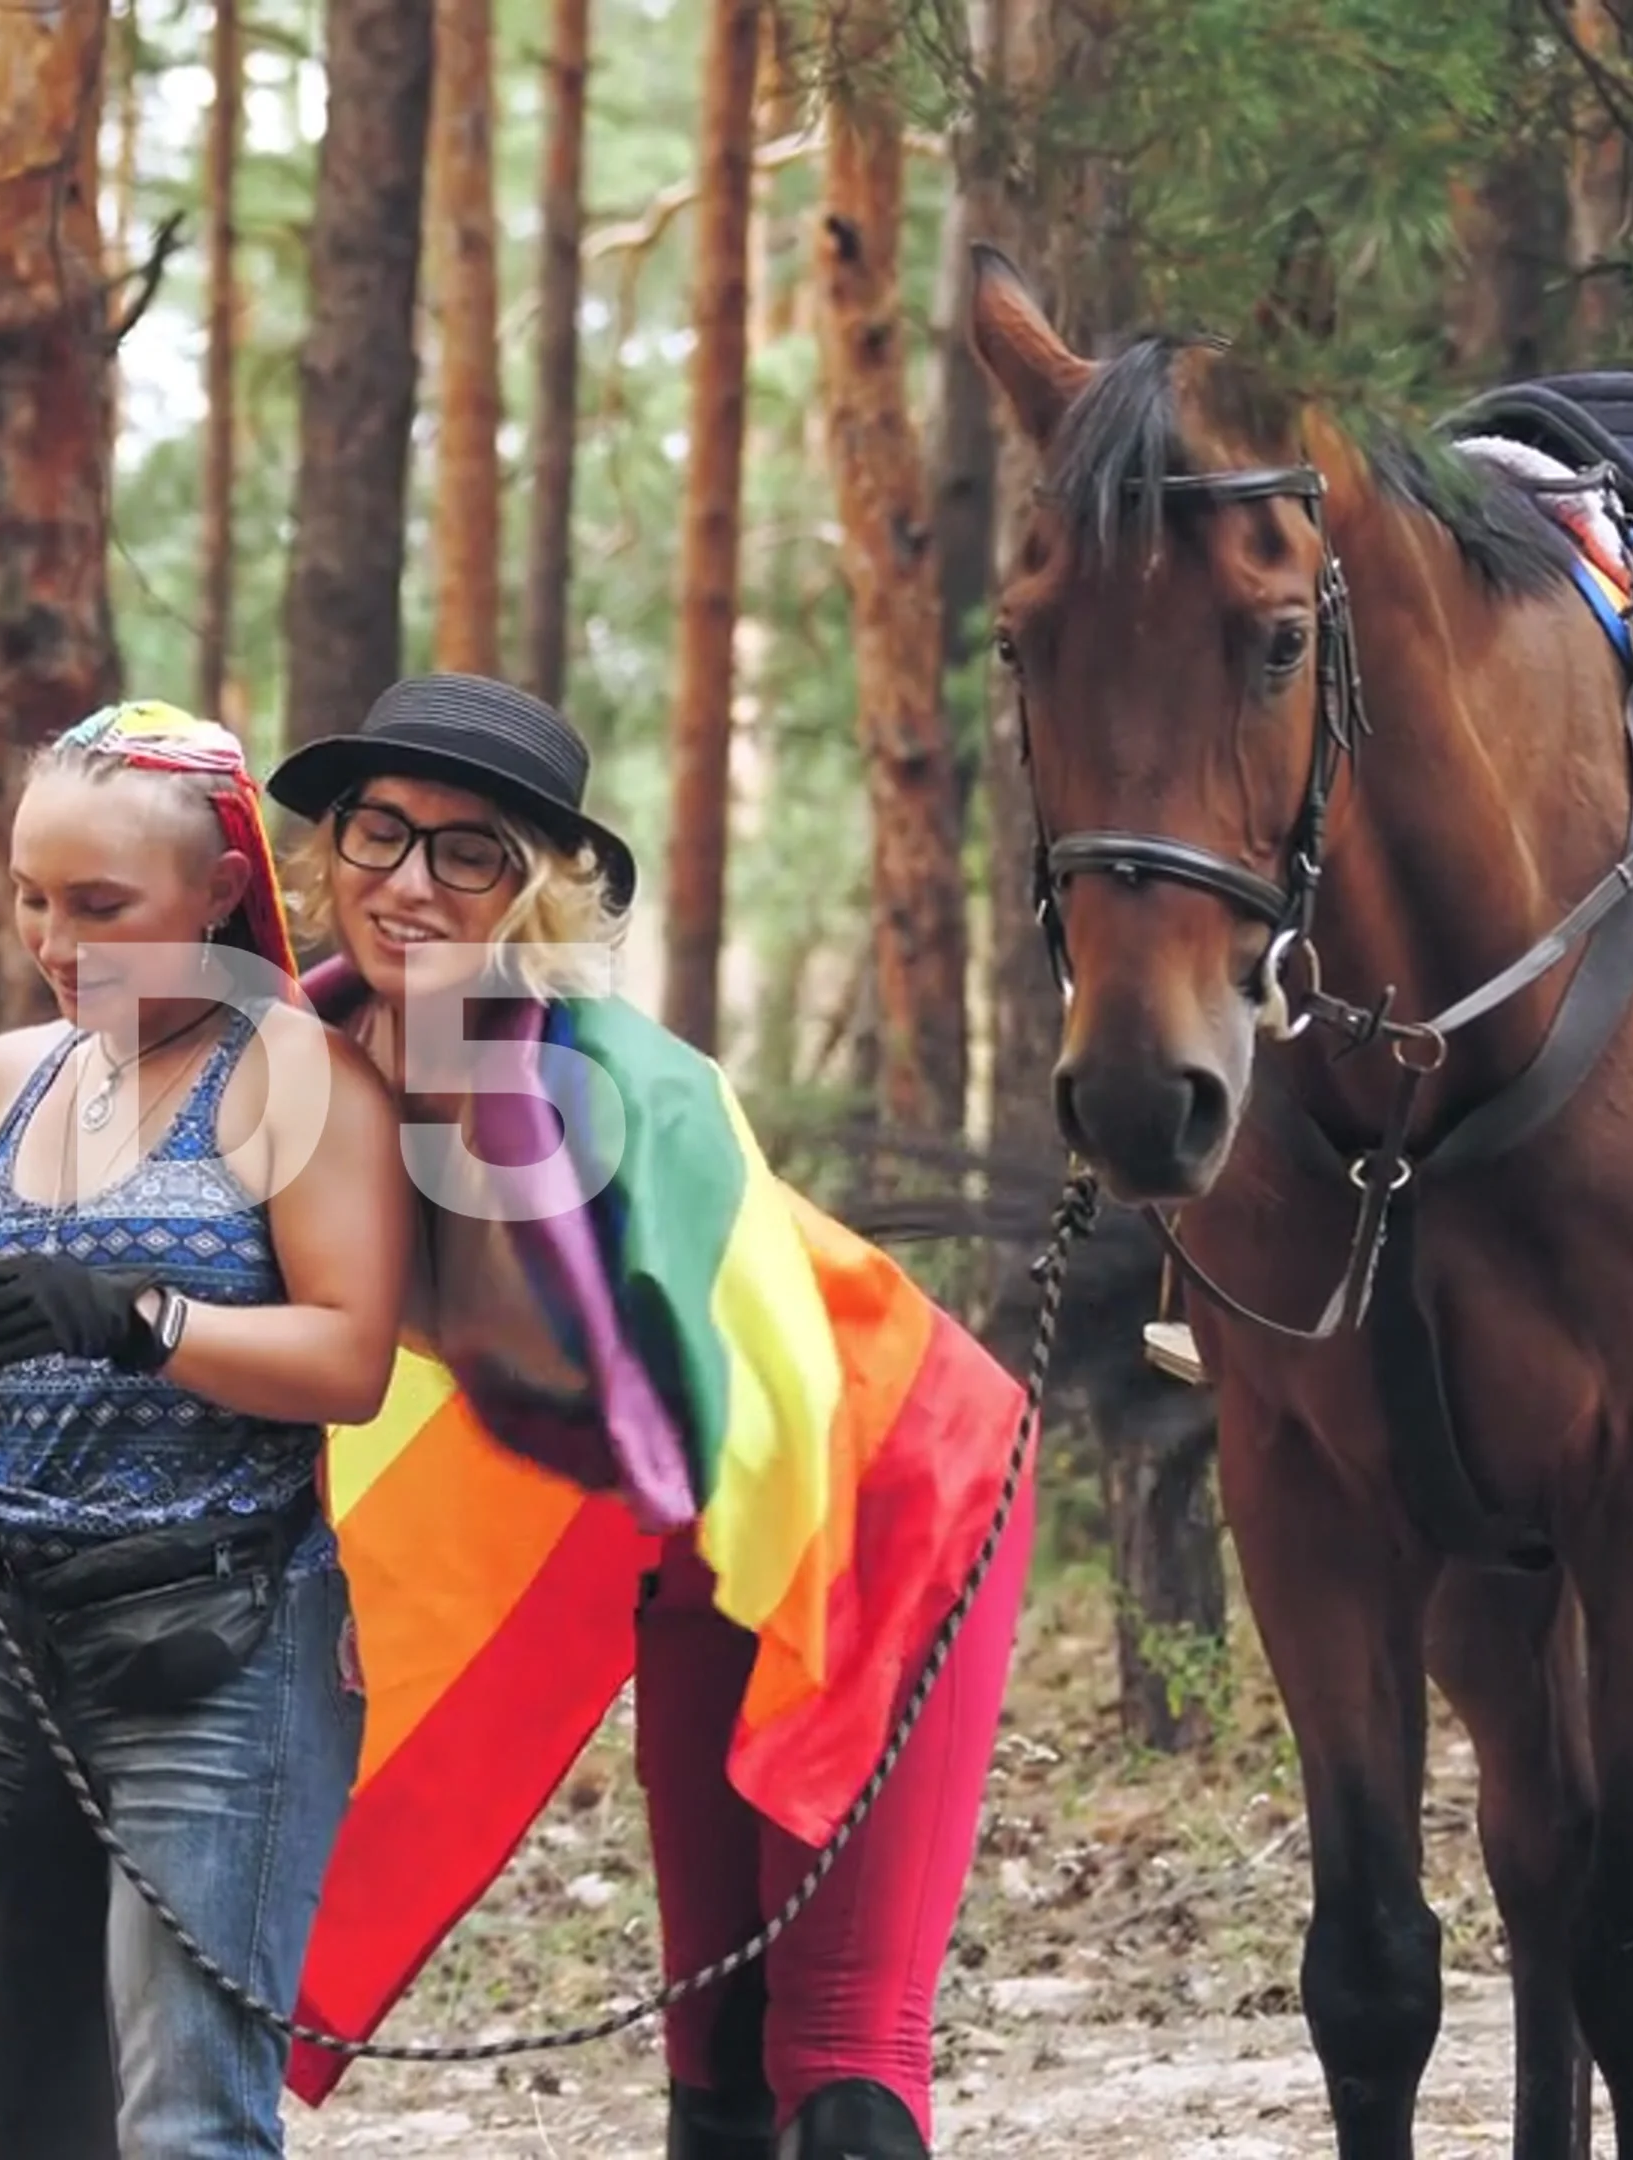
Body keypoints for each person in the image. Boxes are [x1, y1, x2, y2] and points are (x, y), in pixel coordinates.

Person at [261, 673, 1036, 2160]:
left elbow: (677, 1381)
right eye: (379, 832)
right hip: (676, 1552)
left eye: (469, 849)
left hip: (886, 1491)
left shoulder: (621, 1089)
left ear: (534, 896)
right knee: (716, 2037)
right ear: (330, 851)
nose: (410, 881)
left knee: (839, 2051)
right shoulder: (290, 1059)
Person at [0, 699, 411, 2157]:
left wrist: (137, 1318)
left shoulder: (298, 1078)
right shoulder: (1, 1081)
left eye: (103, 904)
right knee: (22, 2114)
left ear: (223, 890)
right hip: (6, 1651)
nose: (57, 940)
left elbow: (352, 1359)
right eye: (34, 898)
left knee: (186, 2124)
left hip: (220, 1652)